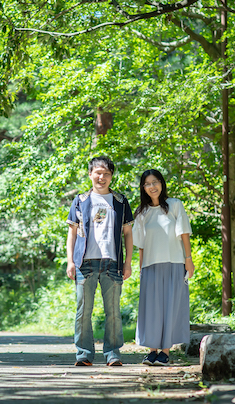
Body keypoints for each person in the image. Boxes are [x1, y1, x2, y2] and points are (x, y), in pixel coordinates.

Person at [66, 156, 134, 367]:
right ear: (90, 174)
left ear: (111, 176)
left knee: (113, 311)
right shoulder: (81, 200)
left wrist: (128, 262)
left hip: (112, 263)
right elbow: (72, 233)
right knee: (82, 311)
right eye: (98, 173)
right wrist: (70, 261)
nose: (101, 177)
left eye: (106, 173)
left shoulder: (120, 201)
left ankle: (113, 354)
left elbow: (128, 234)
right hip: (84, 264)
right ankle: (84, 354)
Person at [133, 169, 194, 366]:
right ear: (143, 188)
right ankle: (152, 351)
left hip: (175, 263)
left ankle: (165, 352)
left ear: (162, 183)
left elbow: (184, 234)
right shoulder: (141, 212)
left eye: (156, 182)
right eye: (148, 183)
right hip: (150, 265)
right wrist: (141, 268)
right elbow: (140, 244)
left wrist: (189, 260)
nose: (152, 186)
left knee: (170, 306)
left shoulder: (175, 205)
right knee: (152, 309)